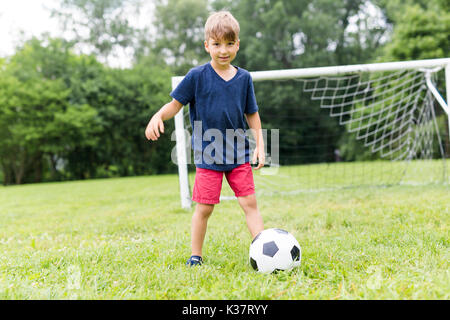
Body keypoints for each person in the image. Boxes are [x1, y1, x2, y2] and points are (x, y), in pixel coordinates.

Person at [145, 11, 265, 267]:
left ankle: (262, 251)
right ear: (207, 45)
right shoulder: (197, 76)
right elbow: (175, 105)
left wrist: (260, 147)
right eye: (217, 43)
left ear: (238, 45)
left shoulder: (244, 78)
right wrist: (158, 115)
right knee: (204, 209)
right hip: (208, 156)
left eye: (230, 43)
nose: (224, 50)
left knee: (249, 203)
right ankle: (195, 256)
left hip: (239, 155)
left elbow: (252, 114)